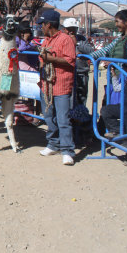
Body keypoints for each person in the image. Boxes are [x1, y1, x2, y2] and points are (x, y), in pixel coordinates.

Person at [37, 9, 77, 165]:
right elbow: (43, 58)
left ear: (48, 25)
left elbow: (70, 61)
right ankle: (53, 144)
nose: (41, 27)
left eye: (42, 24)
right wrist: (43, 60)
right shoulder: (46, 41)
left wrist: (49, 58)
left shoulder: (65, 39)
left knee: (63, 119)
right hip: (46, 85)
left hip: (61, 85)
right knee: (48, 117)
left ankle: (67, 151)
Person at [90, 10, 127, 106]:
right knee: (107, 107)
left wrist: (113, 63)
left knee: (116, 111)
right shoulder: (120, 38)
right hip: (115, 78)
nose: (115, 24)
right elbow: (105, 50)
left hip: (126, 81)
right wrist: (87, 56)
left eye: (117, 21)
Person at [62, 18, 94, 107]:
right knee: (67, 97)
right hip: (66, 72)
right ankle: (69, 118)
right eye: (69, 29)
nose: (71, 31)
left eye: (74, 29)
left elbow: (91, 50)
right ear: (64, 29)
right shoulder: (61, 39)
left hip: (81, 72)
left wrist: (77, 44)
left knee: (81, 96)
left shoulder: (81, 39)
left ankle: (80, 118)